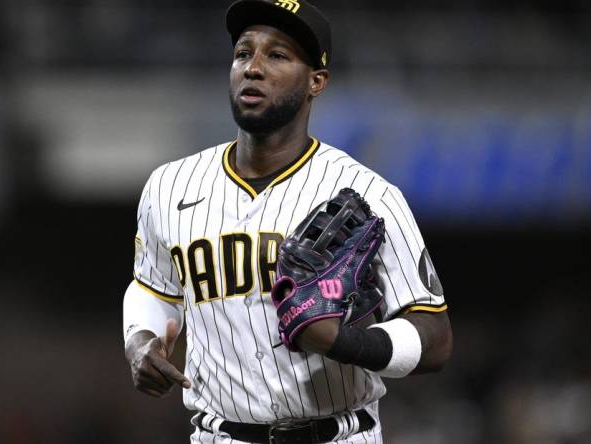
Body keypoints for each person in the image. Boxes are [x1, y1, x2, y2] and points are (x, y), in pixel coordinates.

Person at [123, 1, 453, 442]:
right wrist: (140, 343)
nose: (253, 68)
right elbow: (153, 289)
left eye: (277, 55)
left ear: (317, 81)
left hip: (337, 434)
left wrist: (343, 342)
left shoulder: (369, 195)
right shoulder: (169, 186)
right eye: (243, 53)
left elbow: (435, 336)